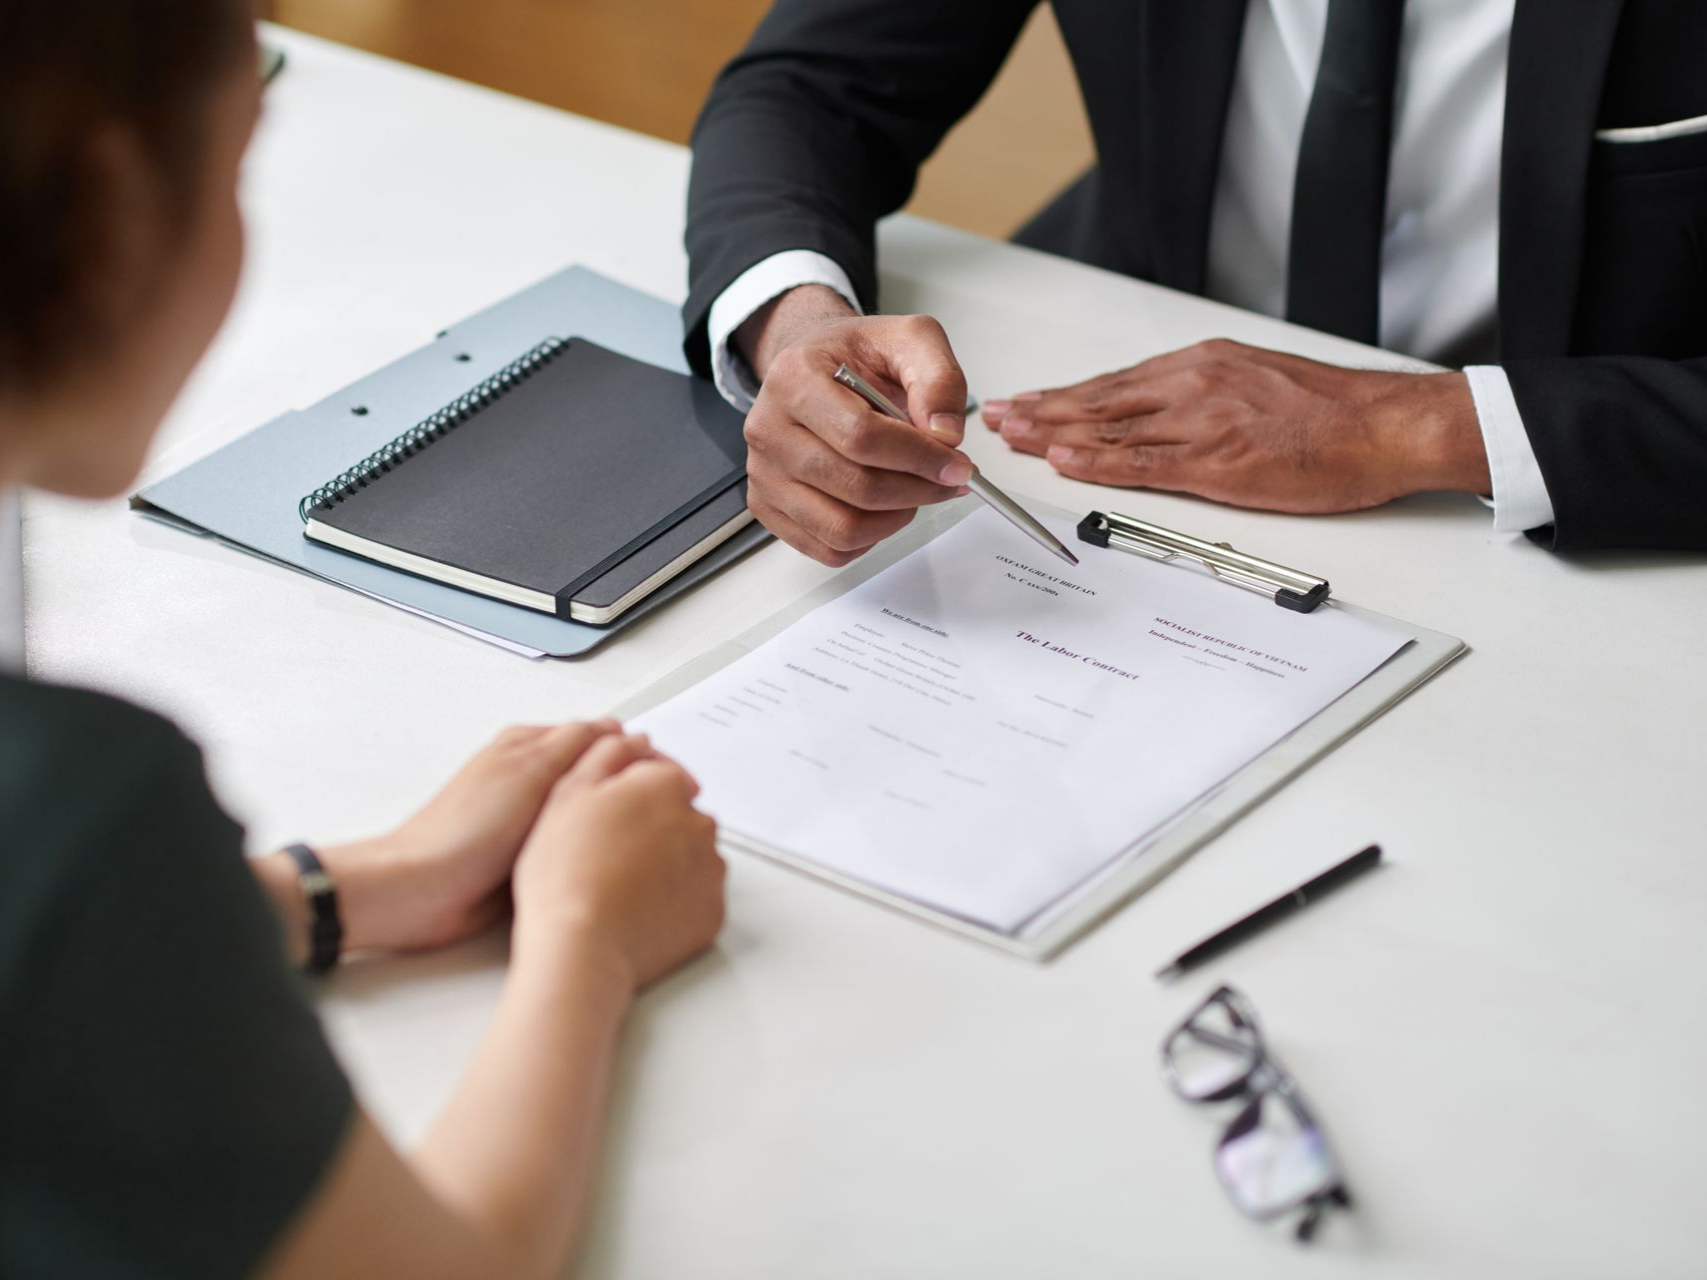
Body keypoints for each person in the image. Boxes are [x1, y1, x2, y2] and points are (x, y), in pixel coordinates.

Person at [0, 4, 725, 1276]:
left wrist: (357, 885)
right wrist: (587, 939)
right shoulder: (82, 797)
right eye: (238, 166)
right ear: (113, 214)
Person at [684, 0, 1707, 563]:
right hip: (1106, 406)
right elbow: (808, 86)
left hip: (1570, 502)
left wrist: (1415, 426)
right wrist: (799, 326)